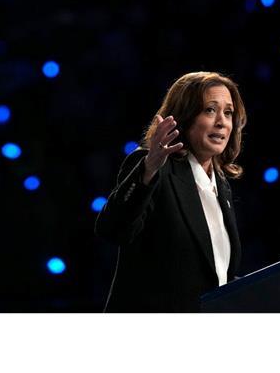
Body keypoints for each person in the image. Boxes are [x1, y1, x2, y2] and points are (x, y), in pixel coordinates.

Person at [95, 71, 248, 312]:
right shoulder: (153, 166)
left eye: (228, 113)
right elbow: (113, 229)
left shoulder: (220, 183)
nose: (222, 121)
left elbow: (214, 274)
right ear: (183, 118)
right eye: (210, 110)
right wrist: (148, 169)